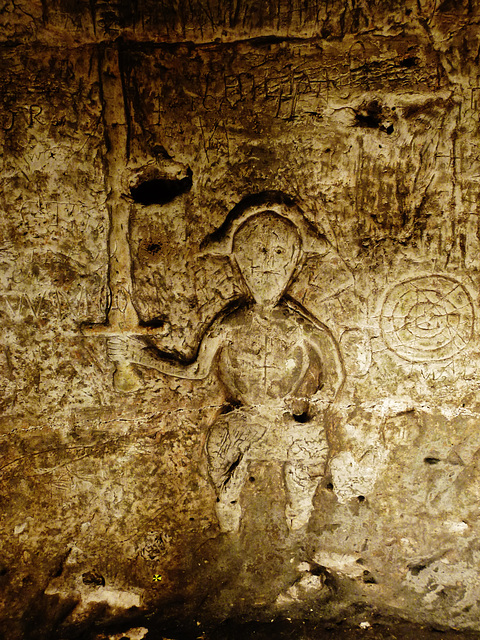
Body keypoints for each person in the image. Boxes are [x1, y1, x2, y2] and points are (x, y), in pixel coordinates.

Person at [108, 207, 344, 532]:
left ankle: (298, 518)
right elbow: (196, 370)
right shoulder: (232, 322)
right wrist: (139, 355)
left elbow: (334, 374)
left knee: (311, 449)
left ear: (292, 263)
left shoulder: (299, 323)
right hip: (244, 419)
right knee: (218, 446)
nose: (266, 269)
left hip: (290, 420)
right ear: (240, 264)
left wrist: (315, 408)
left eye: (278, 257)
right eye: (255, 261)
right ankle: (228, 521)